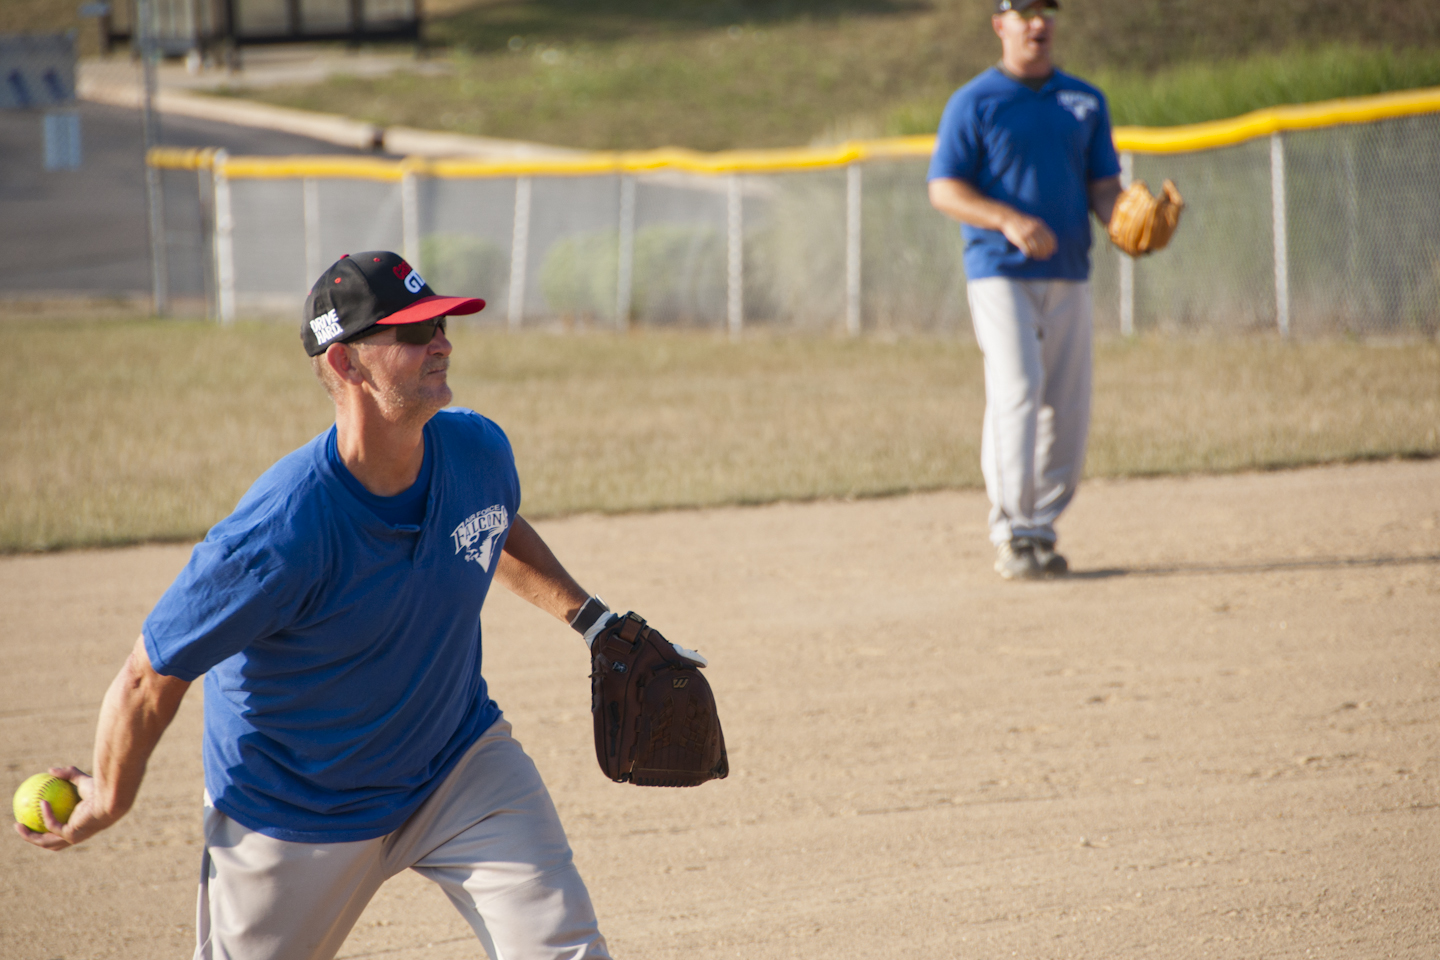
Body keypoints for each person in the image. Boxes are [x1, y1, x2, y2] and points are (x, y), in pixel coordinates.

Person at [15, 251, 638, 960]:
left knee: (567, 950)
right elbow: (148, 675)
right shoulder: (281, 532)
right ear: (345, 365)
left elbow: (490, 519)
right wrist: (109, 797)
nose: (442, 341)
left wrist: (591, 620)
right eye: (413, 332)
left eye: (439, 323)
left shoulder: (476, 449)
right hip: (293, 812)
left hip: (457, 765)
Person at [927, 0, 1123, 580]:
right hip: (999, 270)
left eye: (1047, 11)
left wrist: (1129, 222)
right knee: (1018, 388)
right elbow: (944, 188)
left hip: (1069, 269)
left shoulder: (1084, 100)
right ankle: (1012, 529)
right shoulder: (975, 100)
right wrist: (1006, 219)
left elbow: (1105, 188)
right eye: (1024, 11)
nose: (1038, 23)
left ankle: (1040, 526)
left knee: (1068, 404)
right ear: (1001, 25)